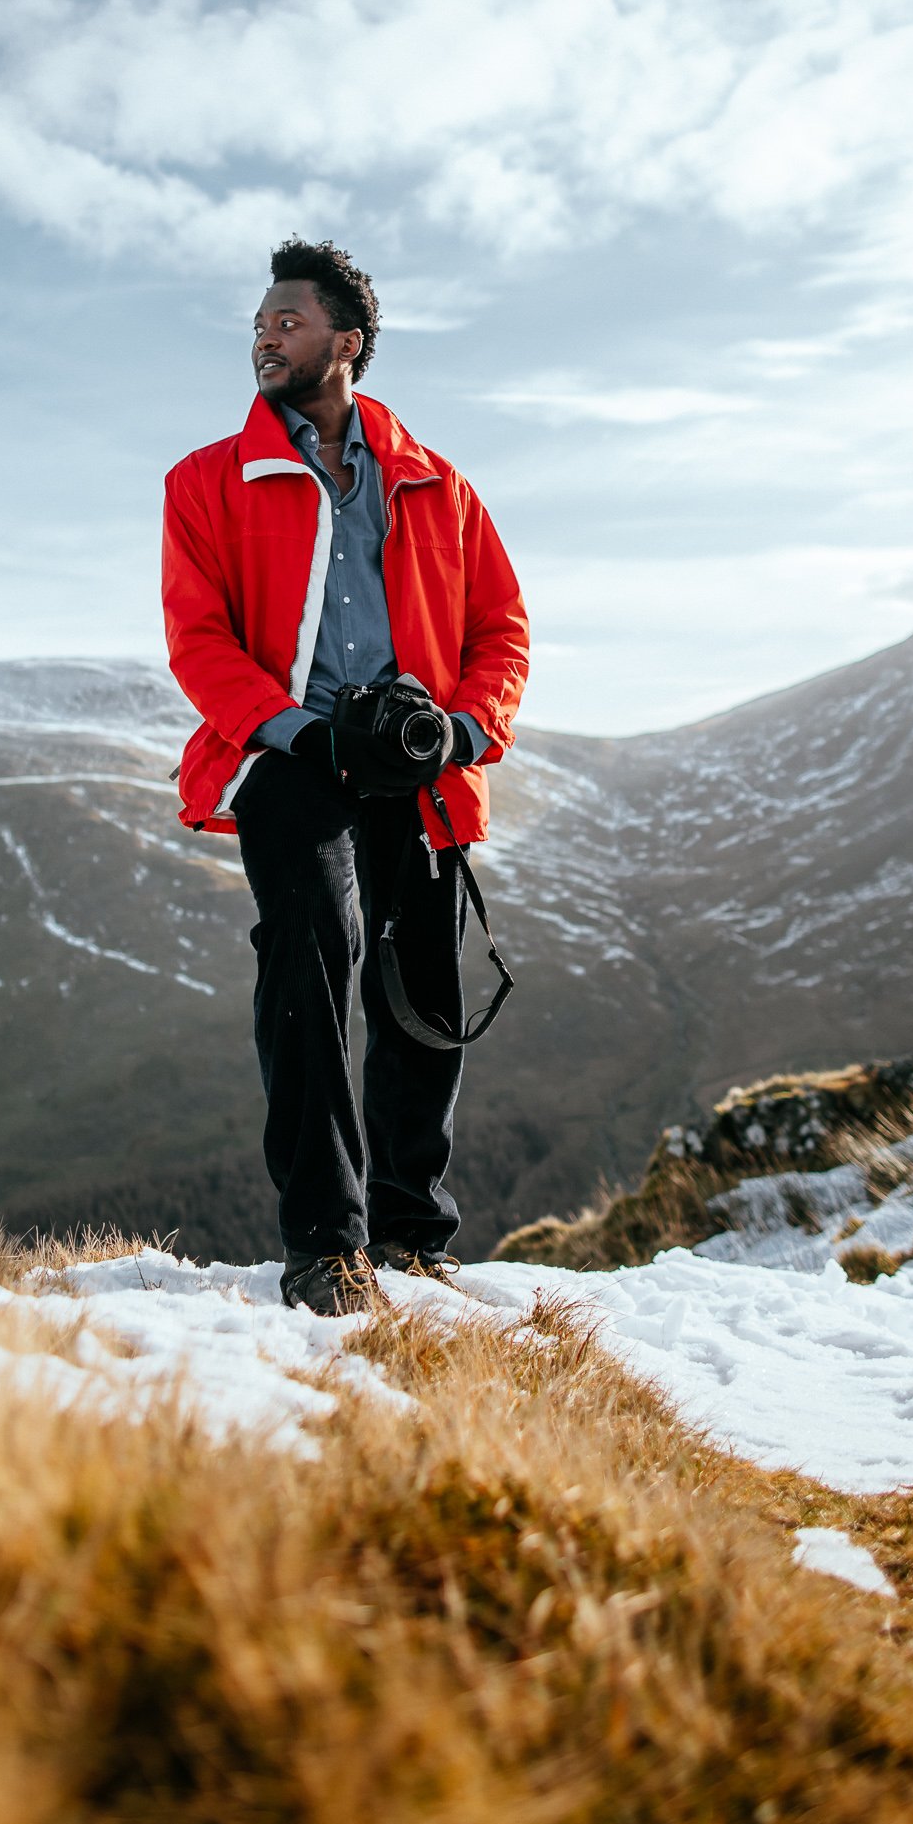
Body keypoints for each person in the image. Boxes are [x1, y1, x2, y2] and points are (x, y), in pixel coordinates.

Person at [161, 239, 529, 1314]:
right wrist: (299, 734)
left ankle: (412, 1238)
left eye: (287, 321)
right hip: (287, 755)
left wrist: (460, 733)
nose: (264, 337)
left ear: (346, 343)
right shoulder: (204, 483)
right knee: (309, 956)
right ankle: (325, 1245)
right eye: (261, 324)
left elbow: (500, 628)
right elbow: (199, 641)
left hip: (415, 766)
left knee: (421, 986)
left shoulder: (437, 484)